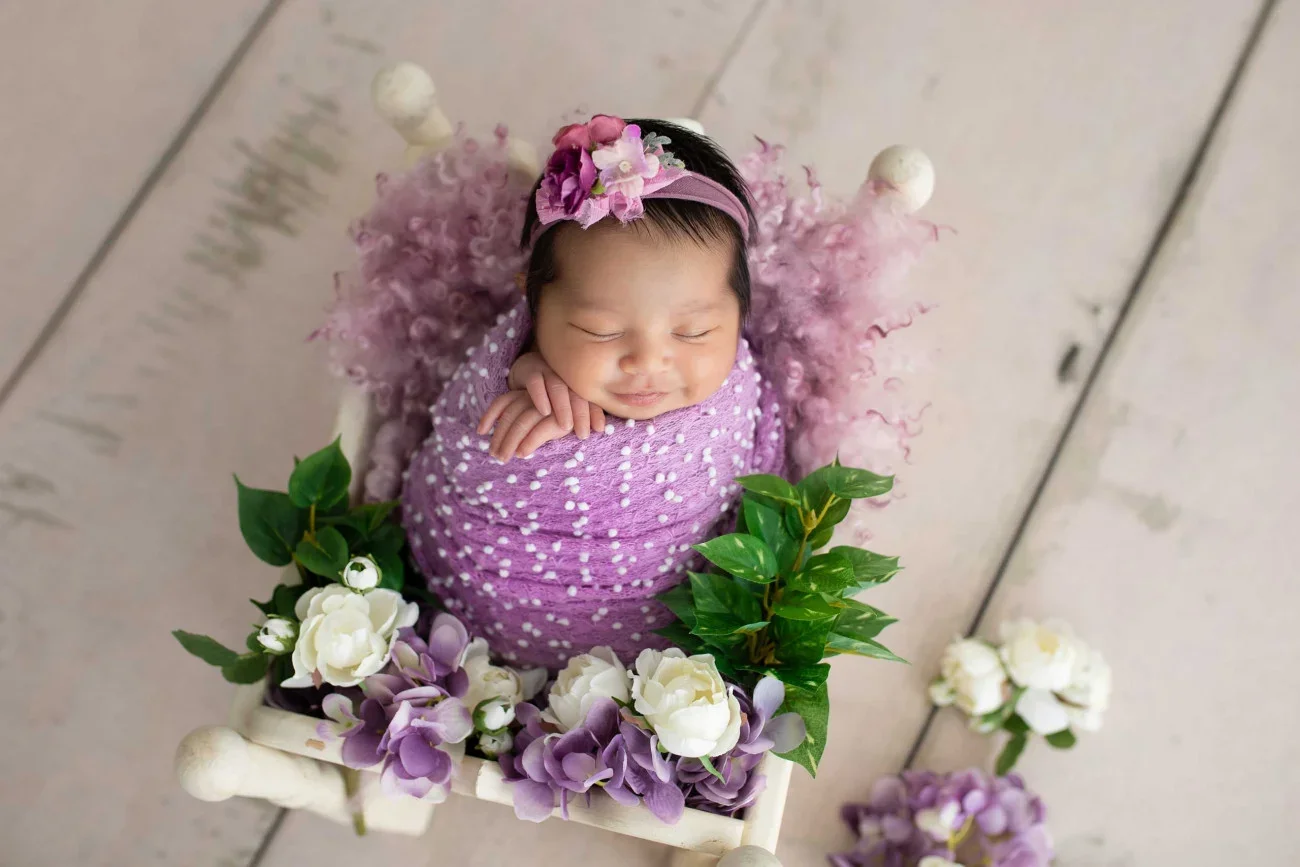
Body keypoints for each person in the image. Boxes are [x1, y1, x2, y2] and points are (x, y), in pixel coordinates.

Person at [477, 115, 758, 461]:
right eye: (601, 331)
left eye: (693, 332)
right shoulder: (525, 364)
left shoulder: (743, 399)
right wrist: (517, 370)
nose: (647, 362)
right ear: (533, 308)